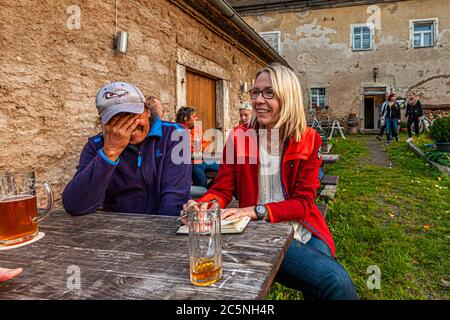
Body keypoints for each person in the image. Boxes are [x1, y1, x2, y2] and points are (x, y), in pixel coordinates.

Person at [181, 63, 358, 300]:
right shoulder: (239, 137)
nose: (258, 100)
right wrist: (204, 204)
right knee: (335, 282)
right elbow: (222, 189)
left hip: (302, 227)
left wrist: (256, 210)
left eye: (269, 93)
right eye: (255, 92)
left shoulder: (307, 138)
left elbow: (304, 203)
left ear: (288, 97)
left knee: (328, 283)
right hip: (260, 232)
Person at [62, 82, 191, 216]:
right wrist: (110, 152)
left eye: (132, 116)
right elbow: (75, 206)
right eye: (116, 120)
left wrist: (158, 233)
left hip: (162, 227)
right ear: (103, 123)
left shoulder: (176, 134)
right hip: (117, 226)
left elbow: (175, 198)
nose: (128, 126)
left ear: (147, 111)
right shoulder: (95, 145)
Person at [176, 106, 219, 188]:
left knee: (225, 168)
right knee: (202, 185)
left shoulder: (196, 129)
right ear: (185, 118)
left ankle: (210, 188)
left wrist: (202, 147)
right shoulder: (177, 130)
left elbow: (202, 145)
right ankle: (204, 191)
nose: (197, 118)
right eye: (194, 116)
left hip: (203, 160)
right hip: (193, 163)